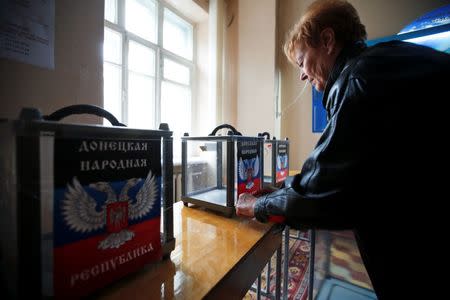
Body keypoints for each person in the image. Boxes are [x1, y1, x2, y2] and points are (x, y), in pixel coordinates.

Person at [235, 0, 450, 299]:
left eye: (301, 61)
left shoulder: (361, 78)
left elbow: (323, 192)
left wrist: (256, 205)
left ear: (326, 41)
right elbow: (340, 166)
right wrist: (280, 188)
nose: (301, 75)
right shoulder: (382, 64)